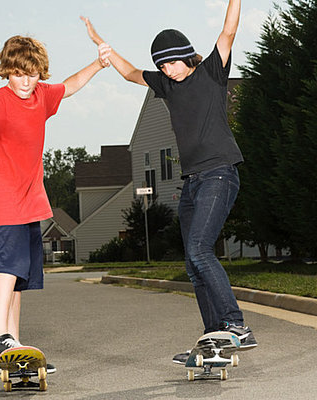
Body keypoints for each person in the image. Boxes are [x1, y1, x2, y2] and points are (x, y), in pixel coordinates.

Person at [81, 0, 257, 364]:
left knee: (199, 251)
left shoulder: (210, 72)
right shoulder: (165, 84)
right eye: (162, 64)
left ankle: (236, 324)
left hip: (220, 173)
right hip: (192, 182)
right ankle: (214, 337)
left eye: (172, 62)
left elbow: (228, 31)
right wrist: (104, 47)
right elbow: (130, 73)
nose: (168, 70)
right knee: (193, 264)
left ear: (186, 56)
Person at [0, 34, 110, 366]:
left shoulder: (42, 95)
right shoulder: (0, 98)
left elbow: (70, 85)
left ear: (40, 74)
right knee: (8, 265)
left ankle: (13, 343)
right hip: (3, 194)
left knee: (20, 278)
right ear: (7, 71)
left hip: (31, 199)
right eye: (18, 73)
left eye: (33, 74)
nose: (25, 82)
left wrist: (98, 63)